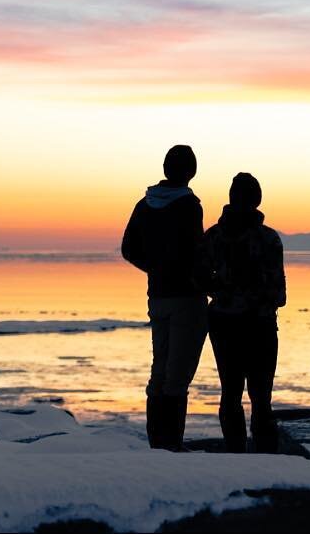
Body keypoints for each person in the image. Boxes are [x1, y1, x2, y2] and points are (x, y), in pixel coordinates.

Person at [120, 144, 207, 451]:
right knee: (177, 376)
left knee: (160, 370)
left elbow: (129, 248)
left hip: (157, 296)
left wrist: (155, 269)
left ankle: (158, 442)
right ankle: (171, 446)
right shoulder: (188, 205)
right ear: (190, 172)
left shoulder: (145, 204)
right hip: (186, 297)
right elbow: (197, 253)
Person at [196, 172, 285, 453]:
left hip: (224, 323)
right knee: (261, 397)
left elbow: (198, 277)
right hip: (259, 325)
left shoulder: (212, 237)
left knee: (231, 393)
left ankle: (235, 454)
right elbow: (279, 294)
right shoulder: (268, 239)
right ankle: (265, 458)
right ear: (257, 201)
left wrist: (222, 292)